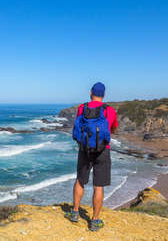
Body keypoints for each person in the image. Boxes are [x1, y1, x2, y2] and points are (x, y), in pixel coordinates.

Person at [65, 82, 118, 231]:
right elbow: (113, 127)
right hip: (102, 150)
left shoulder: (82, 108)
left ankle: (75, 212)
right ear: (104, 95)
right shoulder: (110, 110)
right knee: (98, 186)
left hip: (85, 149)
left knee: (80, 180)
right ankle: (94, 221)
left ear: (90, 93)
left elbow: (79, 125)